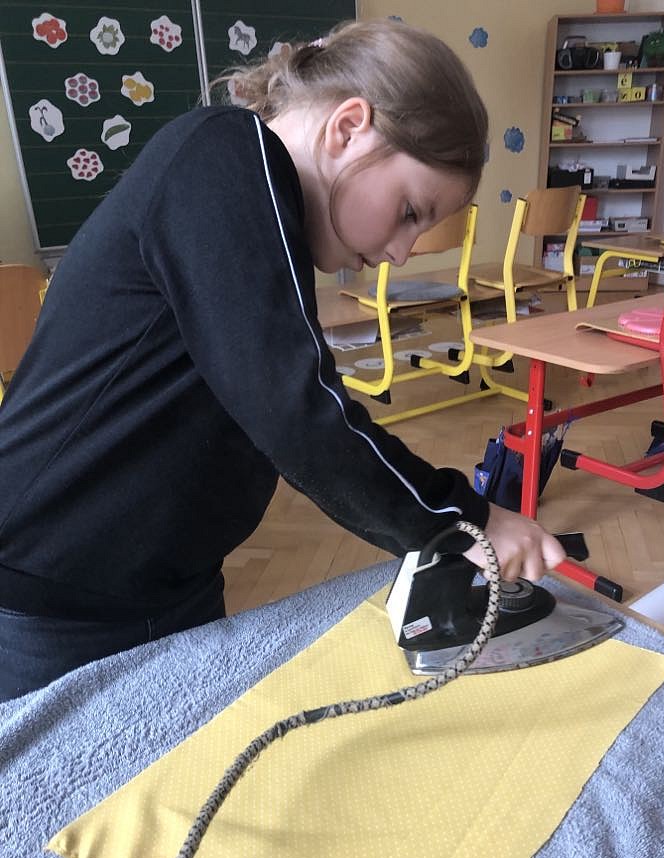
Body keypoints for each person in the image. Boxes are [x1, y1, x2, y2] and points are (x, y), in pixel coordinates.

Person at [0, 19, 564, 700]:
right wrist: (465, 518)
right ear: (349, 128)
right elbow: (298, 412)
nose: (400, 251)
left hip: (169, 581)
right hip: (49, 594)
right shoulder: (222, 155)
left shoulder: (265, 209)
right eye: (411, 211)